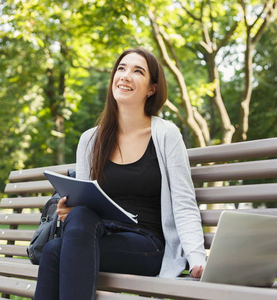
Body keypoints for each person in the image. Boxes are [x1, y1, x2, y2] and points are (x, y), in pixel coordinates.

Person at [34, 47, 206, 300]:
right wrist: (68, 210)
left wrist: (196, 256)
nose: (125, 75)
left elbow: (183, 202)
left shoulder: (166, 135)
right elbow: (82, 203)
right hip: (99, 233)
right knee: (75, 219)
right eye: (121, 68)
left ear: (152, 88)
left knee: (54, 251)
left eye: (138, 71)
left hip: (146, 244)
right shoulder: (90, 139)